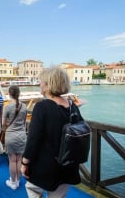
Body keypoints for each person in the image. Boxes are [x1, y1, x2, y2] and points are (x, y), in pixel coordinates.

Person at [20, 67, 83, 198]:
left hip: (45, 167)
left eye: (41, 81)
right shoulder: (73, 106)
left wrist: (25, 163)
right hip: (68, 166)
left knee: (33, 190)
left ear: (48, 85)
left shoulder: (42, 107)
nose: (39, 84)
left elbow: (33, 139)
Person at [2, 85, 27, 190]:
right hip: (22, 135)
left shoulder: (7, 107)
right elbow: (24, 123)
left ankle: (13, 182)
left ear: (9, 93)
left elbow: (3, 124)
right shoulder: (24, 106)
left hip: (10, 136)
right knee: (19, 159)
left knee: (12, 160)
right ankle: (18, 180)